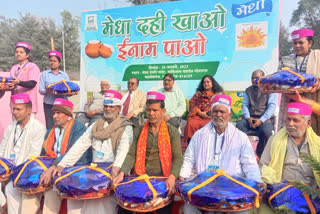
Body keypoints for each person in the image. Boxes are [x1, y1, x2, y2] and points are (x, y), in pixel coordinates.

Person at [179, 94, 263, 214]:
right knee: (189, 209)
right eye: (215, 111)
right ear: (211, 114)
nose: (218, 115)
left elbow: (249, 164)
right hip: (204, 187)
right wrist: (183, 175)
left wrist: (256, 182)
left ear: (229, 115)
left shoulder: (240, 137)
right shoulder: (199, 135)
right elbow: (189, 158)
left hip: (232, 190)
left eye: (222, 112)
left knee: (243, 211)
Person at [53, 90, 134, 214]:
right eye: (105, 106)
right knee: (72, 197)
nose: (108, 109)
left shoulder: (125, 126)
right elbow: (80, 145)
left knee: (97, 207)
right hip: (94, 174)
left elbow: (123, 151)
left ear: (118, 108)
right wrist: (62, 164)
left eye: (111, 106)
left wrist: (115, 170)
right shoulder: (96, 124)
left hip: (114, 173)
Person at [113, 91, 183, 214]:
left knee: (163, 209)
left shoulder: (172, 131)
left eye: (155, 110)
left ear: (163, 111)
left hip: (162, 178)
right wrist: (122, 172)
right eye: (148, 110)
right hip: (140, 177)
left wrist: (172, 176)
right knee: (124, 208)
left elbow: (178, 158)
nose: (151, 114)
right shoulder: (139, 130)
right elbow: (131, 154)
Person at [38, 98, 92, 214]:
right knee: (47, 189)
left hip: (72, 170)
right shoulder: (51, 131)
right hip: (53, 168)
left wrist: (54, 167)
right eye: (53, 113)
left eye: (58, 113)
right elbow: (44, 153)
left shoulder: (79, 128)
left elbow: (73, 154)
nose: (54, 116)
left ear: (68, 114)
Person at [0, 93, 46, 214]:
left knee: (11, 189)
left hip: (25, 172)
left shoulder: (38, 128)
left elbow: (32, 156)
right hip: (7, 171)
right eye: (13, 109)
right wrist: (2, 170)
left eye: (19, 109)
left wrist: (11, 174)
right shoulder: (10, 127)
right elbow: (2, 149)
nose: (15, 112)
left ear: (29, 110)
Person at [260, 102, 320, 188]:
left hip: (311, 194)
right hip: (281, 192)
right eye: (288, 119)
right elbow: (263, 166)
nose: (290, 124)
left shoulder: (317, 144)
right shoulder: (275, 140)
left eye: (295, 120)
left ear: (308, 123)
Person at [278, 28, 320, 134]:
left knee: (313, 132)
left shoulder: (318, 57)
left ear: (310, 43)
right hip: (291, 99)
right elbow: (278, 79)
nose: (297, 46)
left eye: (301, 42)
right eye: (294, 43)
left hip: (312, 101)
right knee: (291, 132)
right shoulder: (286, 60)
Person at [236, 70, 277, 157]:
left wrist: (261, 120)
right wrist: (248, 118)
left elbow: (271, 107)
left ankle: (261, 154)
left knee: (267, 131)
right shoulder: (248, 90)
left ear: (264, 78)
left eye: (257, 78)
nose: (254, 80)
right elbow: (245, 105)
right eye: (253, 78)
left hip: (264, 119)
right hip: (250, 119)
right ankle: (243, 153)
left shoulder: (271, 90)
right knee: (239, 126)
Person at [184, 75, 223, 143]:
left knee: (209, 124)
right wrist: (200, 113)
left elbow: (221, 106)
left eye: (208, 82)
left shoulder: (218, 94)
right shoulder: (198, 94)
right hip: (198, 115)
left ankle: (207, 145)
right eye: (204, 82)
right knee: (191, 124)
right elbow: (192, 104)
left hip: (211, 116)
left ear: (212, 83)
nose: (206, 84)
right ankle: (192, 145)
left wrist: (210, 113)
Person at [8, 42, 41, 117]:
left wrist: (18, 82)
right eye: (16, 52)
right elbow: (12, 84)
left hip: (27, 104)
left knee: (29, 127)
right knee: (16, 127)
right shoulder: (14, 68)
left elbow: (32, 84)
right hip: (15, 104)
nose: (18, 54)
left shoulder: (32, 66)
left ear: (27, 55)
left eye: (21, 52)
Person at [39, 50, 70, 129]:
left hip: (62, 105)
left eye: (55, 61)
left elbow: (68, 89)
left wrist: (66, 92)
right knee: (50, 126)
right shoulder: (44, 74)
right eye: (50, 61)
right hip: (49, 104)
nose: (52, 63)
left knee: (62, 126)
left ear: (59, 63)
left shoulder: (64, 75)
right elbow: (41, 90)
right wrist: (48, 90)